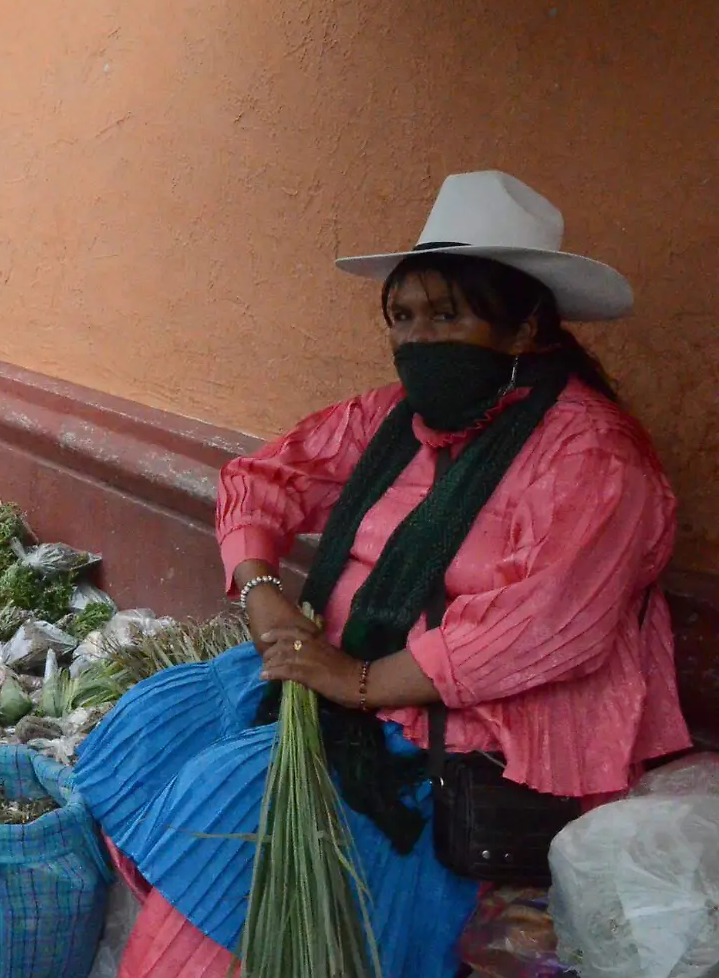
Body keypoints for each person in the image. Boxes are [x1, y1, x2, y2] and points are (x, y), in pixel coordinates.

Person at [73, 171, 690, 978]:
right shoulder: (387, 419)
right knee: (148, 729)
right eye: (401, 317)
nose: (417, 339)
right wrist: (264, 598)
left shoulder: (591, 456)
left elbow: (546, 626)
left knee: (224, 809)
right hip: (347, 683)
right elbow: (261, 481)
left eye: (446, 315)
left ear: (524, 326)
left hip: (475, 741)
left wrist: (359, 680)